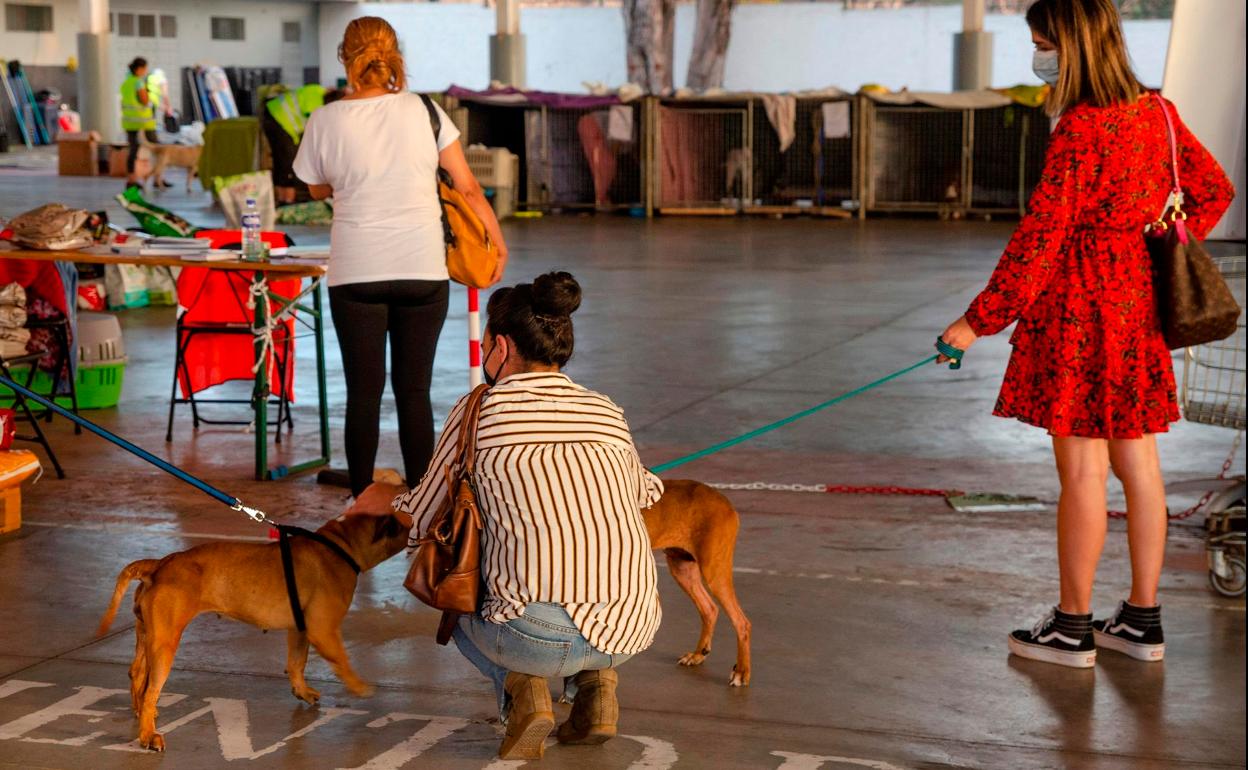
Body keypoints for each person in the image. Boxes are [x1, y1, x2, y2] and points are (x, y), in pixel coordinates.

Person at [937, 0, 1233, 668]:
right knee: (1141, 465)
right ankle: (1141, 621)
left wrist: (975, 321)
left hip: (1078, 310)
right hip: (1139, 306)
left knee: (1082, 473)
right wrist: (1158, 238)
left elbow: (1040, 241)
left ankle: (1072, 627)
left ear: (1068, 48)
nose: (1039, 55)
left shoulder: (1081, 128)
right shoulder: (1158, 113)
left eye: (1043, 42)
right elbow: (1215, 188)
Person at [355, 272, 662, 760]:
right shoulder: (605, 409)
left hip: (536, 635)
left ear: (500, 345)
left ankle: (523, 690)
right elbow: (646, 492)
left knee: (454, 601)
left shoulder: (482, 409)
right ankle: (596, 687)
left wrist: (378, 499)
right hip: (632, 626)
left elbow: (425, 515)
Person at [292, 16, 508, 497]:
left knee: (363, 396)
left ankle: (362, 508)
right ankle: (425, 505)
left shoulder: (325, 119)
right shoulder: (426, 111)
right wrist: (497, 242)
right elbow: (467, 188)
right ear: (395, 55)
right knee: (415, 394)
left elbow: (314, 183)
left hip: (356, 273)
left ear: (344, 59)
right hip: (421, 269)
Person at [120, 57, 158, 189]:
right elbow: (144, 100)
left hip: (130, 123)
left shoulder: (126, 83)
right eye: (145, 69)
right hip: (144, 124)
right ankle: (157, 179)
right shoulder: (138, 83)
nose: (145, 71)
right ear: (139, 69)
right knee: (157, 150)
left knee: (133, 151)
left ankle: (131, 180)